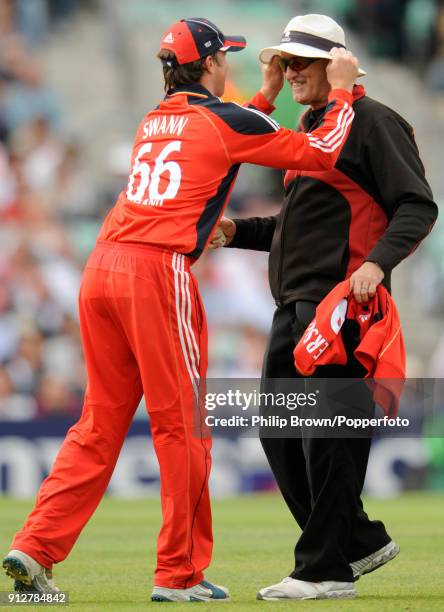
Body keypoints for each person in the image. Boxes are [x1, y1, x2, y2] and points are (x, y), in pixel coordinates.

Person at [2, 17, 360, 604]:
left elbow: (228, 137)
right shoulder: (224, 120)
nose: (235, 68)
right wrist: (342, 89)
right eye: (228, 59)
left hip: (102, 268)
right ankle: (180, 574)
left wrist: (264, 94)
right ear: (213, 64)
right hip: (156, 272)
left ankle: (35, 546)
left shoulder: (154, 120)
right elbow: (319, 151)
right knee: (183, 428)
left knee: (98, 426)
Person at [213, 13, 438, 601]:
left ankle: (324, 569)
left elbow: (417, 206)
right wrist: (237, 231)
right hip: (295, 305)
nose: (290, 73)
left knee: (326, 436)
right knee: (281, 433)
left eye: (302, 62)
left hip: (343, 307)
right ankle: (356, 542)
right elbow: (297, 227)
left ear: (335, 64)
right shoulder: (318, 128)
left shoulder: (373, 122)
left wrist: (376, 264)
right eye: (286, 62)